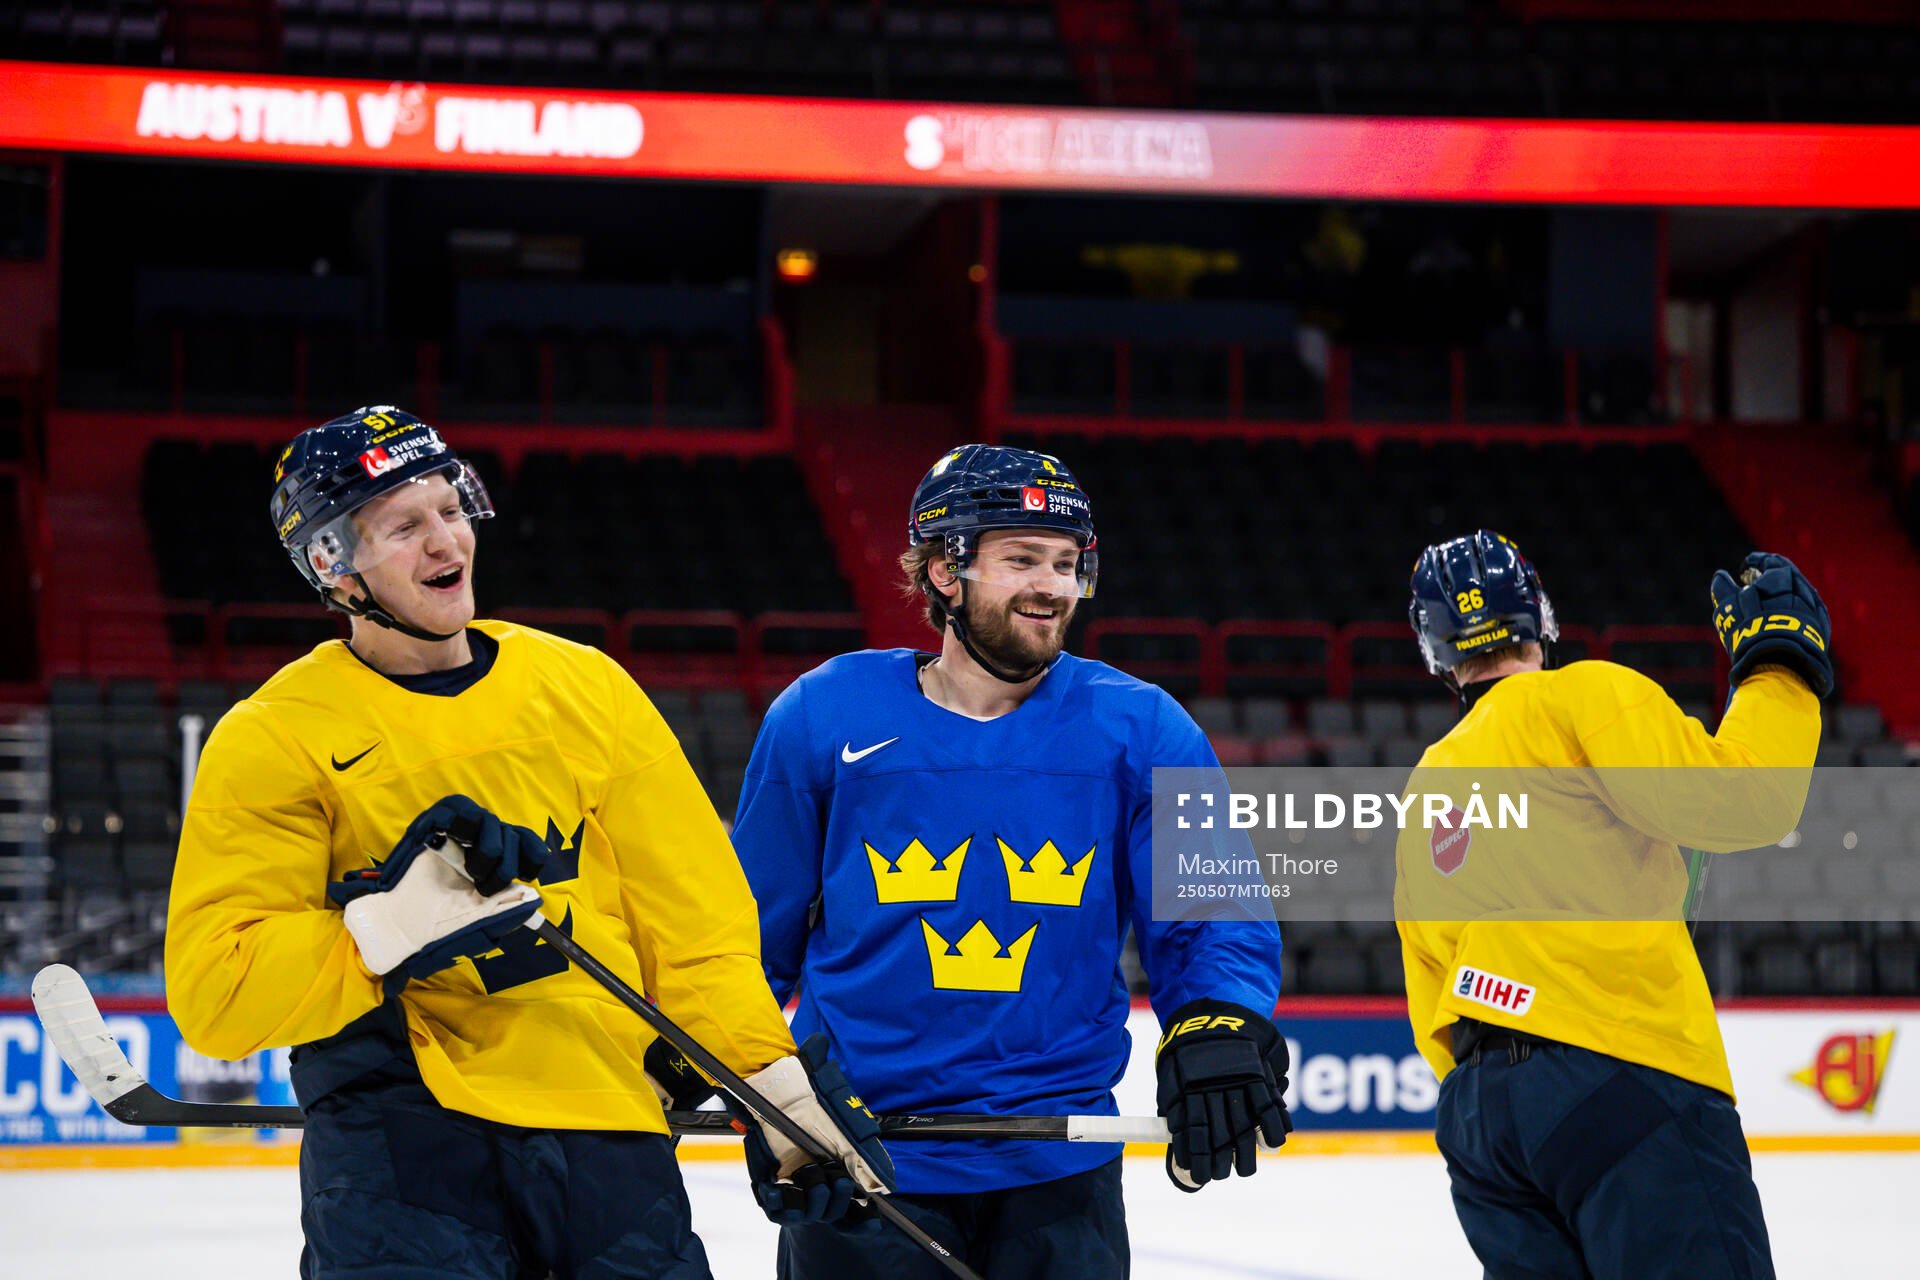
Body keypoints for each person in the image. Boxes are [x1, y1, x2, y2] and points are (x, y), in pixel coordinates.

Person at [164, 406, 891, 1279]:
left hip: (606, 1124)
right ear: (333, 565)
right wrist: (387, 927)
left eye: (450, 507)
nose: (447, 542)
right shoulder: (275, 735)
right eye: (405, 526)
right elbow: (217, 990)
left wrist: (767, 1086)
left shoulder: (585, 687)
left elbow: (695, 927)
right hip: (401, 1137)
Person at [728, 444, 1291, 1280]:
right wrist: (753, 1080)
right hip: (859, 1161)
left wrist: (1218, 1018)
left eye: (1067, 564)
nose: (1054, 586)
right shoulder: (822, 713)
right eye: (1023, 559)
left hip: (1061, 1179)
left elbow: (1212, 917)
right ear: (944, 572)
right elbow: (742, 937)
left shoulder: (1144, 726)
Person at [1396, 530, 1831, 1279]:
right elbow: (1746, 801)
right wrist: (1780, 666)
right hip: (1620, 1068)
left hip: (1483, 1127)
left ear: (1437, 649)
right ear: (1537, 612)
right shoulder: (1583, 695)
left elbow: (1428, 980)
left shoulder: (1428, 785)